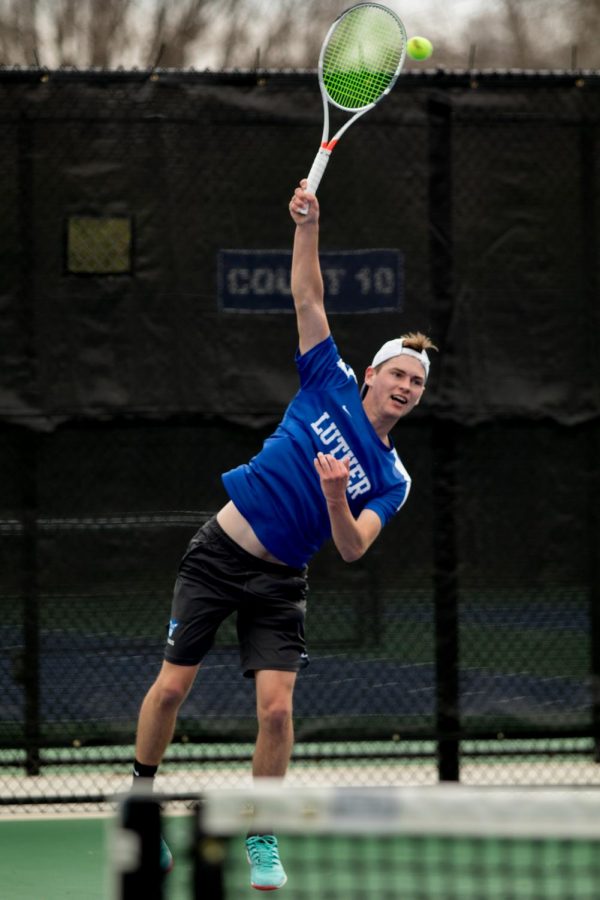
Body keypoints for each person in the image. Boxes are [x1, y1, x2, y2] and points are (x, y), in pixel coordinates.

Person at [131, 180, 437, 890]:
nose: (406, 386)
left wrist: (336, 499)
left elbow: (353, 546)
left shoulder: (393, 478)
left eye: (417, 383)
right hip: (217, 555)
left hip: (281, 580)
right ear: (371, 375)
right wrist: (308, 226)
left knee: (276, 709)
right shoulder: (325, 379)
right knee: (172, 689)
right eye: (398, 373)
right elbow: (307, 298)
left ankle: (261, 832)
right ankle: (144, 807)